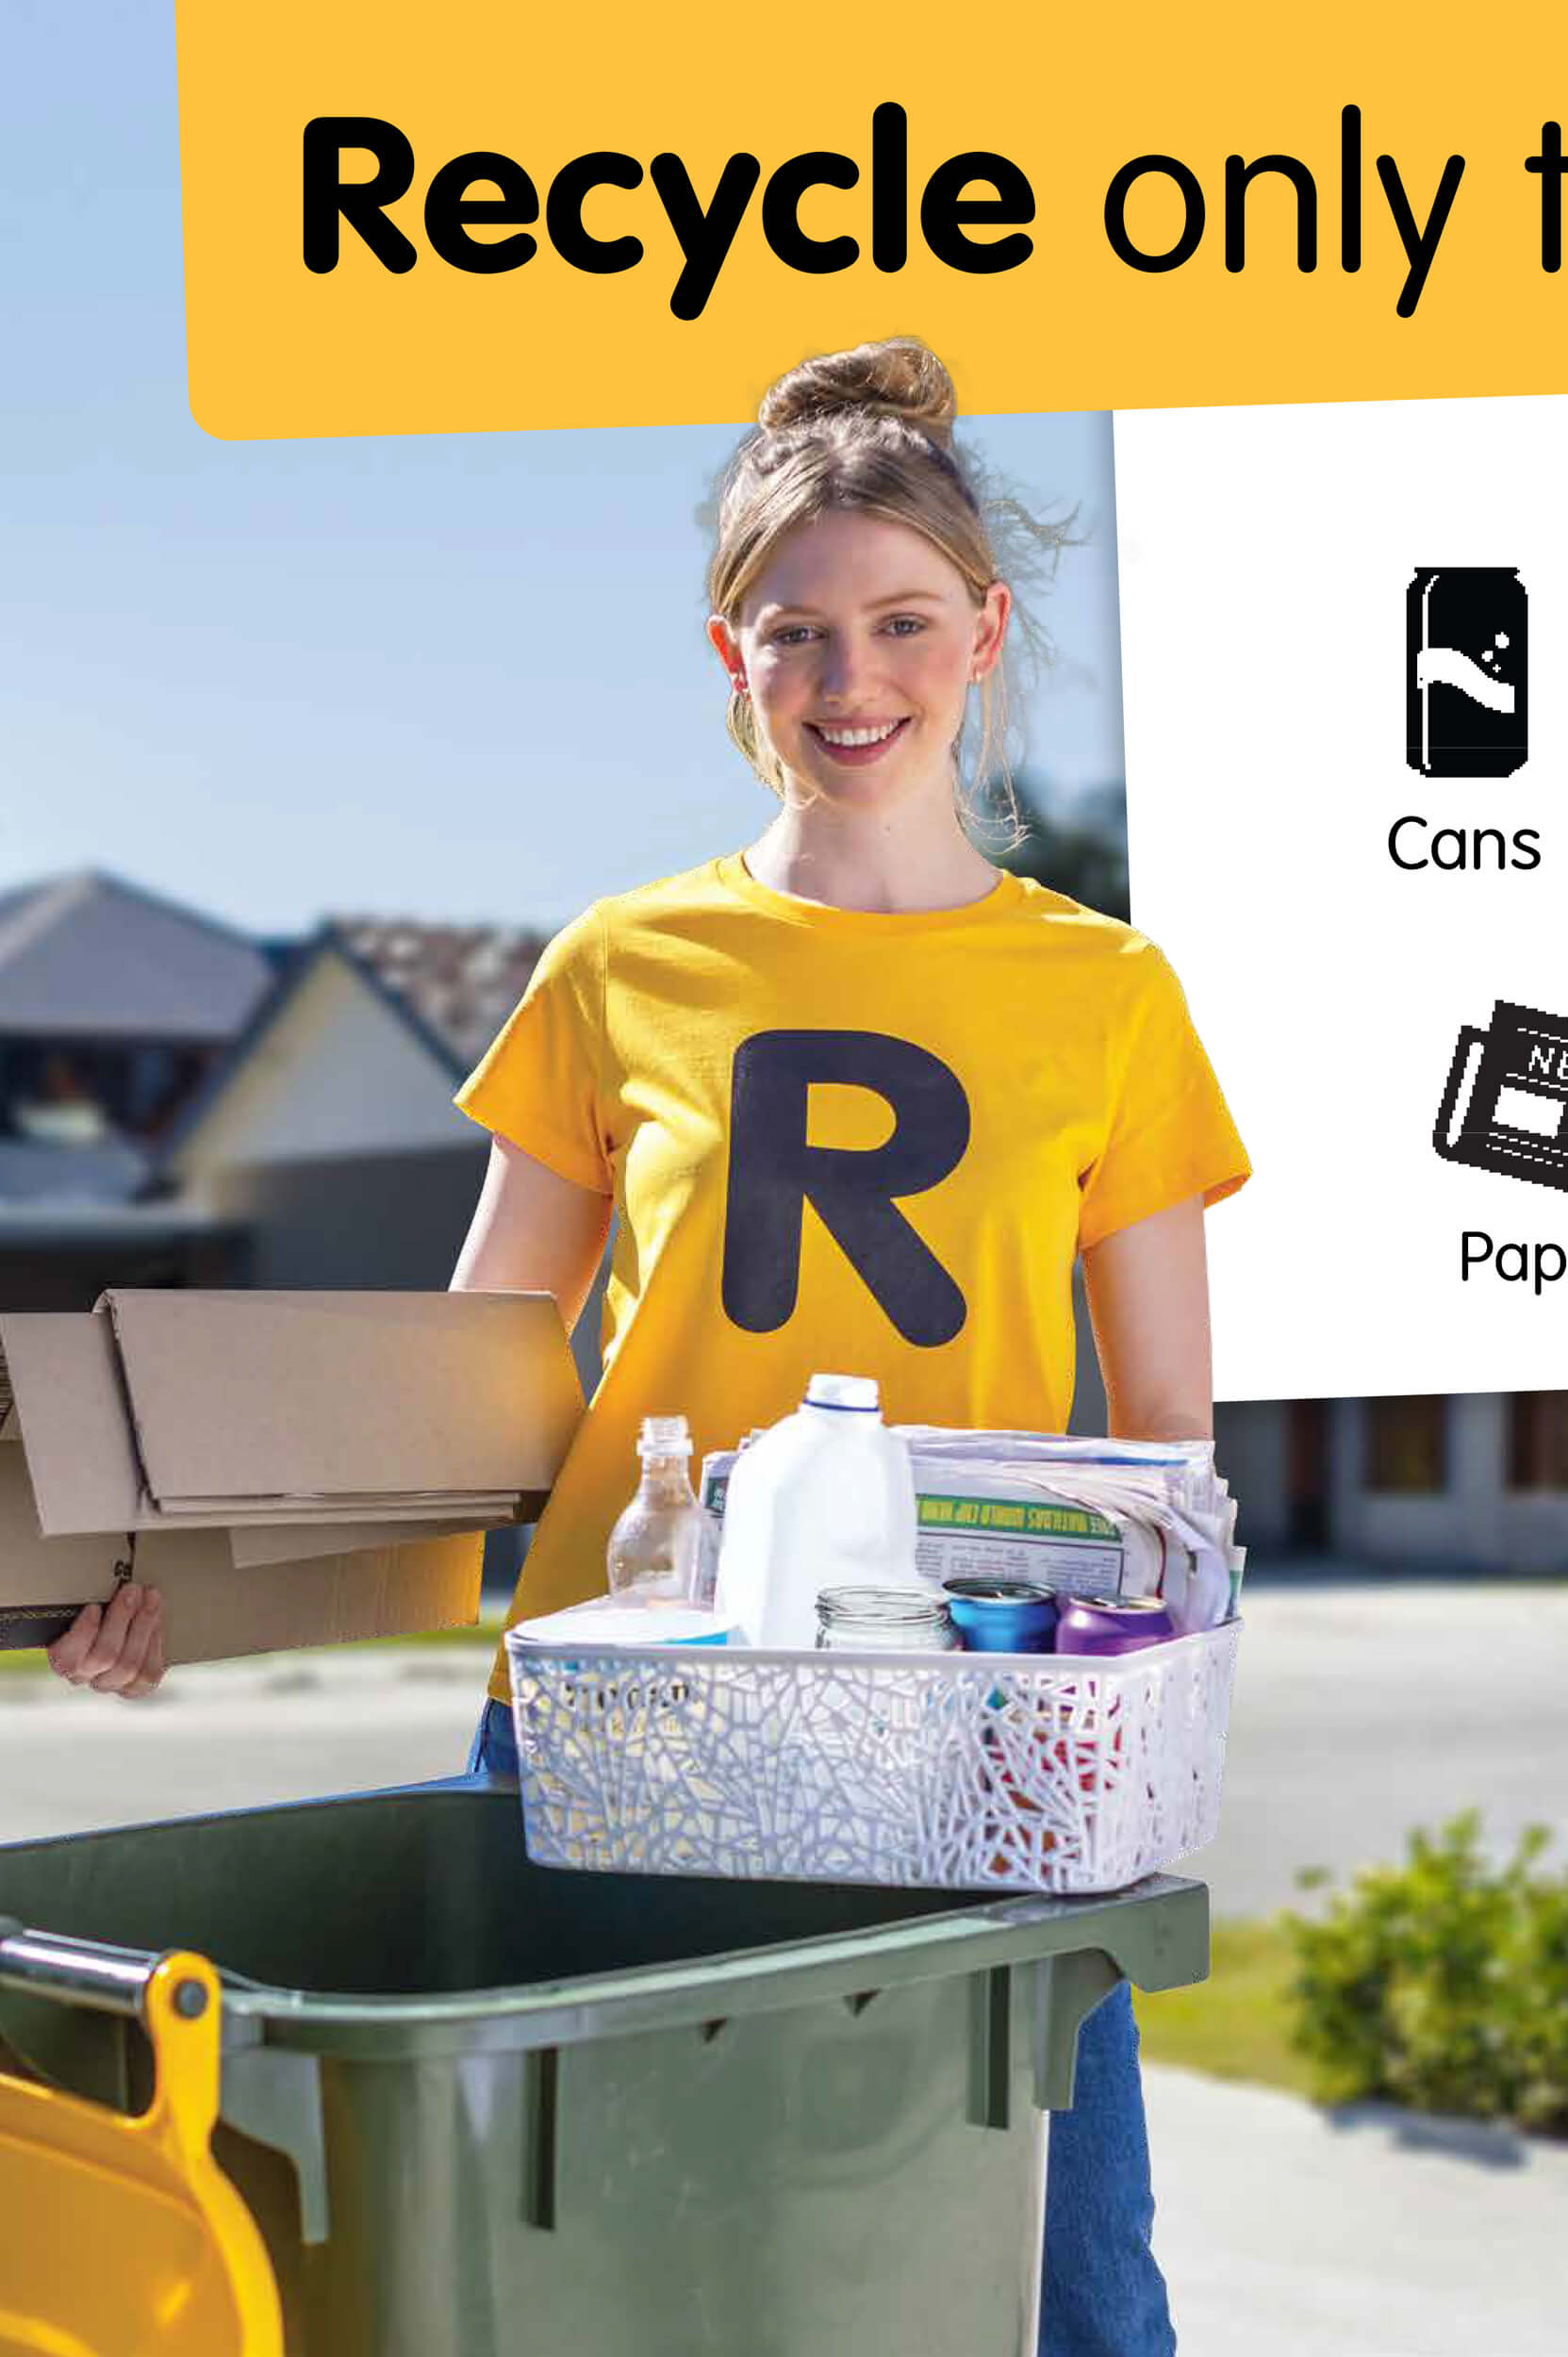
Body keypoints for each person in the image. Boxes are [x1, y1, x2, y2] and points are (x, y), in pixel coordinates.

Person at [50, 335, 1248, 2357]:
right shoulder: (620, 964)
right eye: (797, 635)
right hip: (623, 1718)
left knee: (1069, 2293)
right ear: (728, 656)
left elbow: (1164, 1430)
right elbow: (460, 1388)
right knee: (593, 2274)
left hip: (964, 1738)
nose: (849, 679)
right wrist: (183, 1578)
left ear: (986, 633)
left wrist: (1124, 1737)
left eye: (899, 623)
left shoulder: (1103, 990)